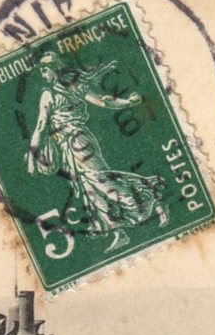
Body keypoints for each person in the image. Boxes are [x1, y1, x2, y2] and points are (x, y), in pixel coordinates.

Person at [27, 51, 169, 253]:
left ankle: (152, 199)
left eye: (44, 69)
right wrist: (127, 102)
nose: (42, 74)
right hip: (72, 145)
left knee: (102, 181)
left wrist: (32, 159)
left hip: (77, 143)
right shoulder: (71, 86)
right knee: (89, 188)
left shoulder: (50, 95)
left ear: (54, 69)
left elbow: (41, 127)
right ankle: (119, 232)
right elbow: (103, 101)